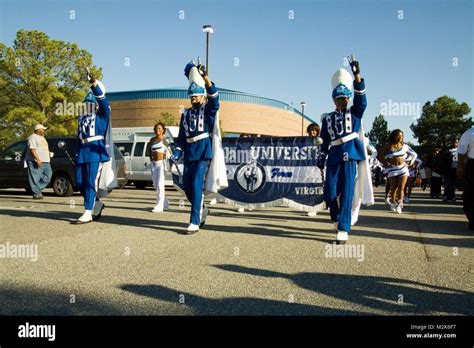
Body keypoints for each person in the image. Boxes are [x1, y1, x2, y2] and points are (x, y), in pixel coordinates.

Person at [318, 56, 366, 244]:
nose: (341, 102)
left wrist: (357, 76)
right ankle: (335, 216)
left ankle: (344, 228)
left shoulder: (354, 113)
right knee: (330, 192)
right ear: (333, 100)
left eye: (344, 99)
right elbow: (324, 140)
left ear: (348, 99)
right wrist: (321, 157)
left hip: (350, 155)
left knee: (347, 192)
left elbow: (362, 102)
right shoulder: (327, 118)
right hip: (334, 155)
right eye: (338, 99)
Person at [170, 61, 220, 234]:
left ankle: (194, 221)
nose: (193, 98)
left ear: (202, 96)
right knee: (188, 187)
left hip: (203, 151)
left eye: (196, 96)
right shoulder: (186, 113)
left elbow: (215, 102)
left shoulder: (207, 110)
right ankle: (202, 209)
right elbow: (182, 138)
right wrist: (177, 152)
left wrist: (206, 79)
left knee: (197, 184)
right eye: (191, 96)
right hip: (189, 152)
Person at [74, 70, 116, 224]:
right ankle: (96, 202)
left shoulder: (102, 115)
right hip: (83, 152)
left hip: (95, 152)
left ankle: (87, 212)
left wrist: (94, 85)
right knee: (80, 182)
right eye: (86, 104)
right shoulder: (81, 118)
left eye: (90, 104)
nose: (87, 106)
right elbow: (78, 137)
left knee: (91, 182)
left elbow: (104, 103)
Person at [378, 130, 417, 213]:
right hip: (392, 169)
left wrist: (409, 163)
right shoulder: (388, 146)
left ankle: (399, 204)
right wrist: (385, 163)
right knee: (393, 188)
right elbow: (380, 156)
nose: (400, 138)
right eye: (398, 136)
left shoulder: (405, 146)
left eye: (402, 136)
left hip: (403, 169)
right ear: (394, 136)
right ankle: (393, 202)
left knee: (401, 187)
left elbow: (414, 154)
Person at [25, 124, 53, 199]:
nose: (44, 130)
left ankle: (37, 190)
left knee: (48, 176)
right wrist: (38, 159)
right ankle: (36, 194)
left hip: (46, 161)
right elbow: (32, 149)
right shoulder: (33, 137)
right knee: (35, 178)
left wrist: (48, 153)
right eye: (42, 129)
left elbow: (41, 148)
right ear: (37, 130)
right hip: (36, 161)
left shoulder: (42, 138)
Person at [147, 122, 170, 212]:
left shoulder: (165, 139)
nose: (158, 130)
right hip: (154, 164)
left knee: (160, 185)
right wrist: (151, 159)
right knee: (156, 184)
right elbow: (149, 150)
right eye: (156, 128)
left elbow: (169, 152)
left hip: (161, 164)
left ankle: (159, 206)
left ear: (163, 130)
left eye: (160, 128)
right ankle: (166, 203)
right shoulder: (152, 140)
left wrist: (169, 164)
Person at [457, 126, 474, 231]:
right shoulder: (469, 133)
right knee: (470, 194)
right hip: (473, 166)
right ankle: (472, 219)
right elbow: (461, 152)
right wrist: (460, 167)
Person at [306, 122, 321, 217]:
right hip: (307, 168)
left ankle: (315, 207)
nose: (312, 132)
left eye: (314, 130)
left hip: (318, 168)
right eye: (311, 130)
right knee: (308, 188)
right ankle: (310, 207)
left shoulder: (321, 141)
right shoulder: (304, 142)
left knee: (316, 188)